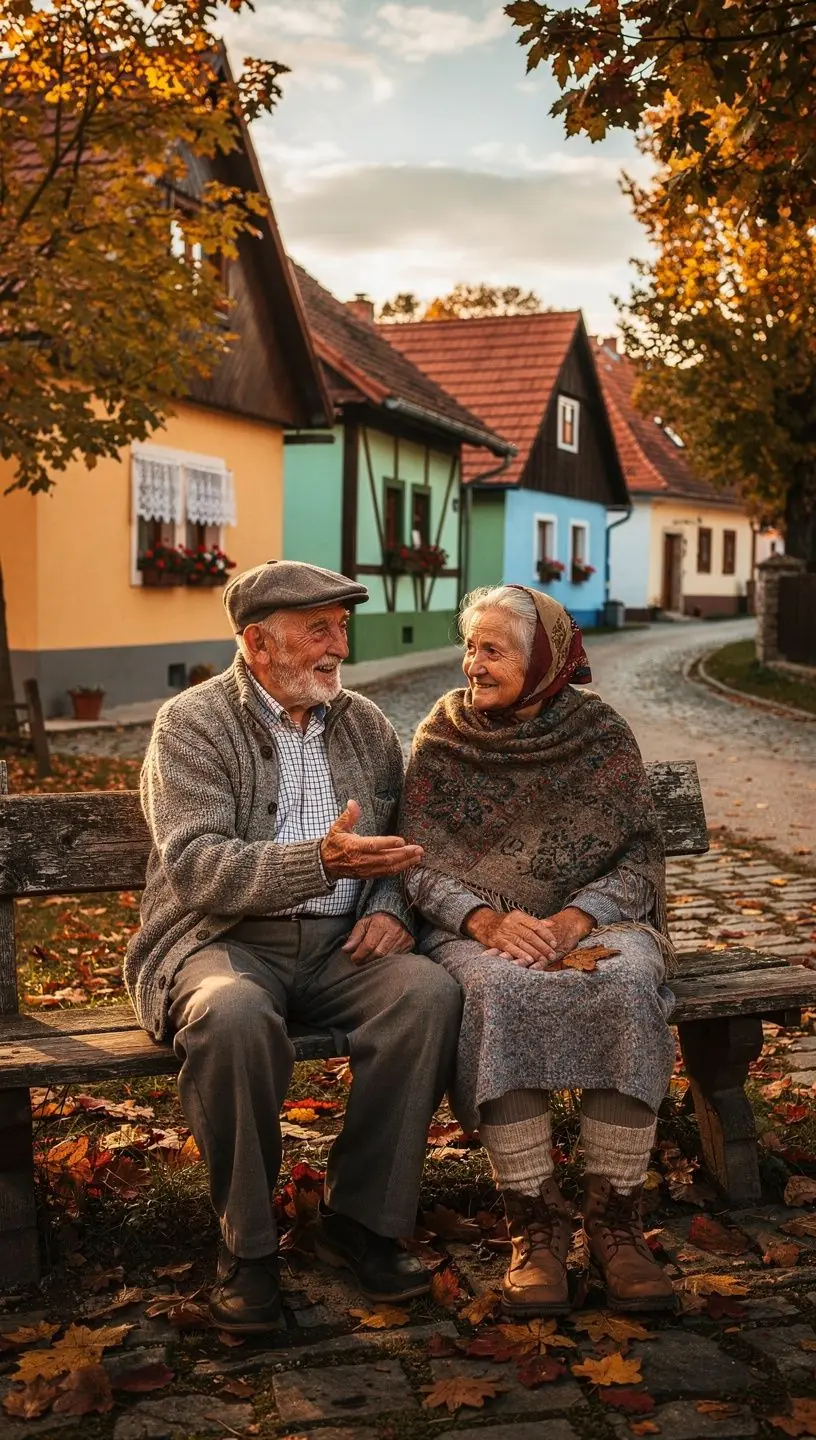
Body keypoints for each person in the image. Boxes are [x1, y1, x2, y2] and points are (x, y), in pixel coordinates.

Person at [125, 560, 461, 1334]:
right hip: (222, 940)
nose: (338, 644)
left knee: (427, 994)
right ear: (258, 642)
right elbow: (197, 867)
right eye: (319, 630)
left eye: (341, 627)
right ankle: (247, 1251)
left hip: (343, 947)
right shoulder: (192, 723)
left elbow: (400, 843)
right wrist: (318, 861)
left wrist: (387, 906)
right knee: (232, 1017)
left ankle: (362, 1223)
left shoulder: (365, 723)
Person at [400, 584, 676, 1316]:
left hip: (594, 923)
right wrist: (484, 921)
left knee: (626, 984)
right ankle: (535, 1226)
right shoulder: (443, 735)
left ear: (545, 659)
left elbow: (640, 856)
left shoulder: (600, 735)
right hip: (477, 932)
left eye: (493, 650)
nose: (473, 665)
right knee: (497, 989)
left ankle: (616, 1223)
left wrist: (580, 916)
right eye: (470, 647)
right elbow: (417, 863)